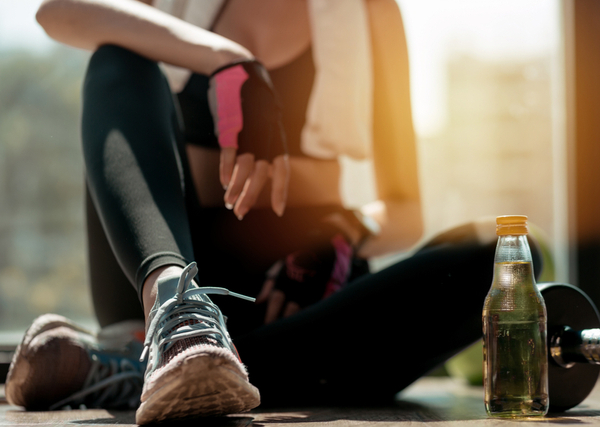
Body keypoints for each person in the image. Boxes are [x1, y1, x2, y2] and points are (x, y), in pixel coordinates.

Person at [5, 0, 539, 424]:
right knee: (116, 60)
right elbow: (58, 10)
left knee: (504, 256)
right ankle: (178, 320)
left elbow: (406, 213)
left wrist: (345, 230)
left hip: (304, 299)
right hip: (175, 275)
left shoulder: (372, 10)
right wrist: (229, 61)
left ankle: (135, 371)